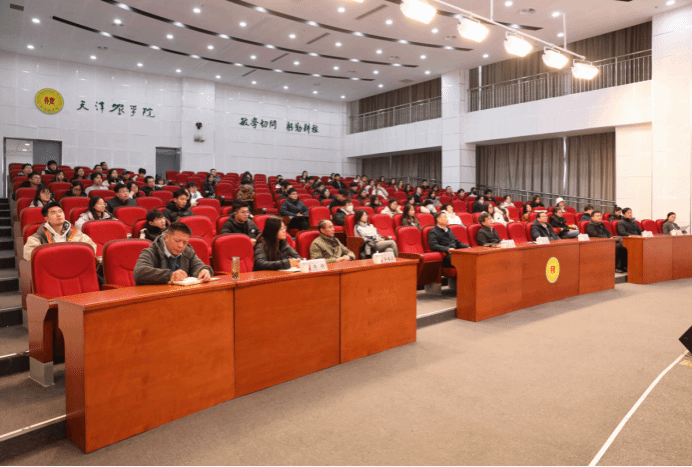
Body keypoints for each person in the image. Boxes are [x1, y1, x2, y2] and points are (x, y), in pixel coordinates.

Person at [133, 222, 213, 285]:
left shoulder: (187, 251)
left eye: (185, 242)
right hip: (154, 296)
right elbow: (139, 272)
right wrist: (170, 276)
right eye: (177, 241)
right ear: (167, 237)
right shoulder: (152, 251)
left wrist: (204, 271)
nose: (181, 246)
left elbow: (198, 266)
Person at [23, 202, 98, 261]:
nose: (58, 214)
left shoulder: (75, 232)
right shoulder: (39, 236)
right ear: (46, 219)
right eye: (53, 213)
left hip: (74, 266)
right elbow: (28, 254)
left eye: (60, 211)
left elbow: (91, 247)